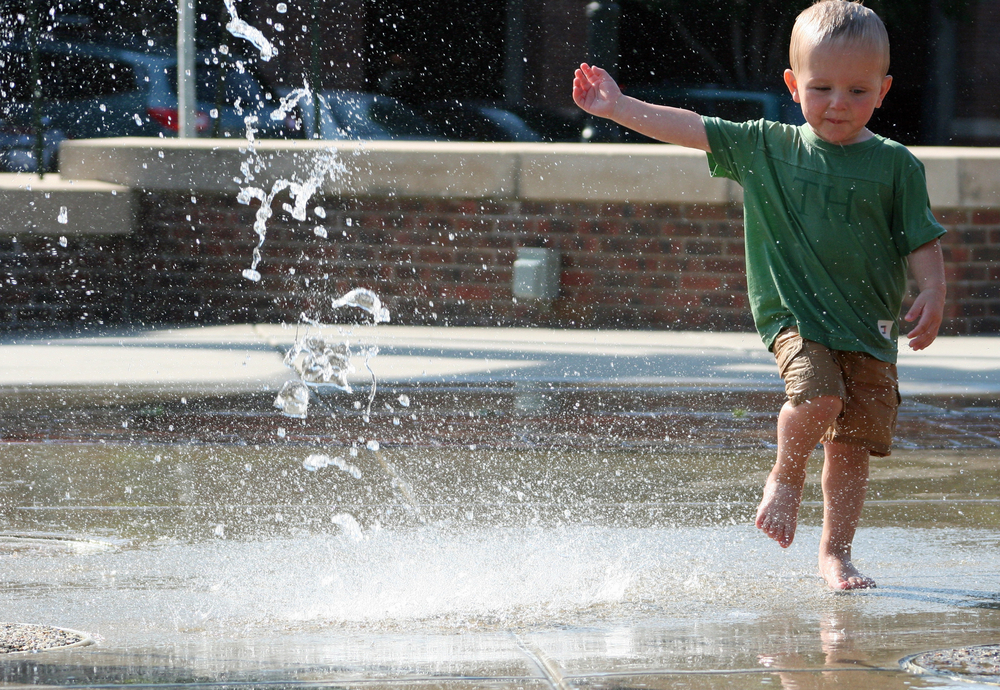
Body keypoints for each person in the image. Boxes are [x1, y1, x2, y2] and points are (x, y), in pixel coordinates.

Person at [572, 0, 946, 591]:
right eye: (821, 88)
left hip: (869, 326)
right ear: (793, 87)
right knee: (818, 399)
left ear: (883, 90)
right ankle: (785, 476)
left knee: (850, 450)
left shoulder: (896, 165)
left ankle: (836, 554)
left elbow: (920, 237)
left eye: (856, 90)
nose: (838, 104)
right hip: (794, 315)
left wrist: (933, 289)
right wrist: (617, 106)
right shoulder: (768, 147)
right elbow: (690, 127)